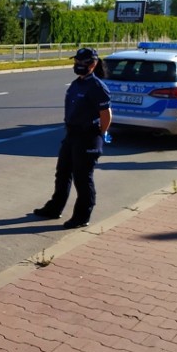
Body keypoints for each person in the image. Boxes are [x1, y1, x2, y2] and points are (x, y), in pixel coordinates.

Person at [33, 47, 112, 228]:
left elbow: (106, 114)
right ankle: (55, 208)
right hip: (72, 135)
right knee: (63, 173)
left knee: (83, 178)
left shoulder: (97, 86)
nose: (78, 65)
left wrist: (100, 133)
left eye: (83, 63)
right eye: (76, 62)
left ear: (93, 64)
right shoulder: (78, 82)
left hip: (88, 137)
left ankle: (82, 216)